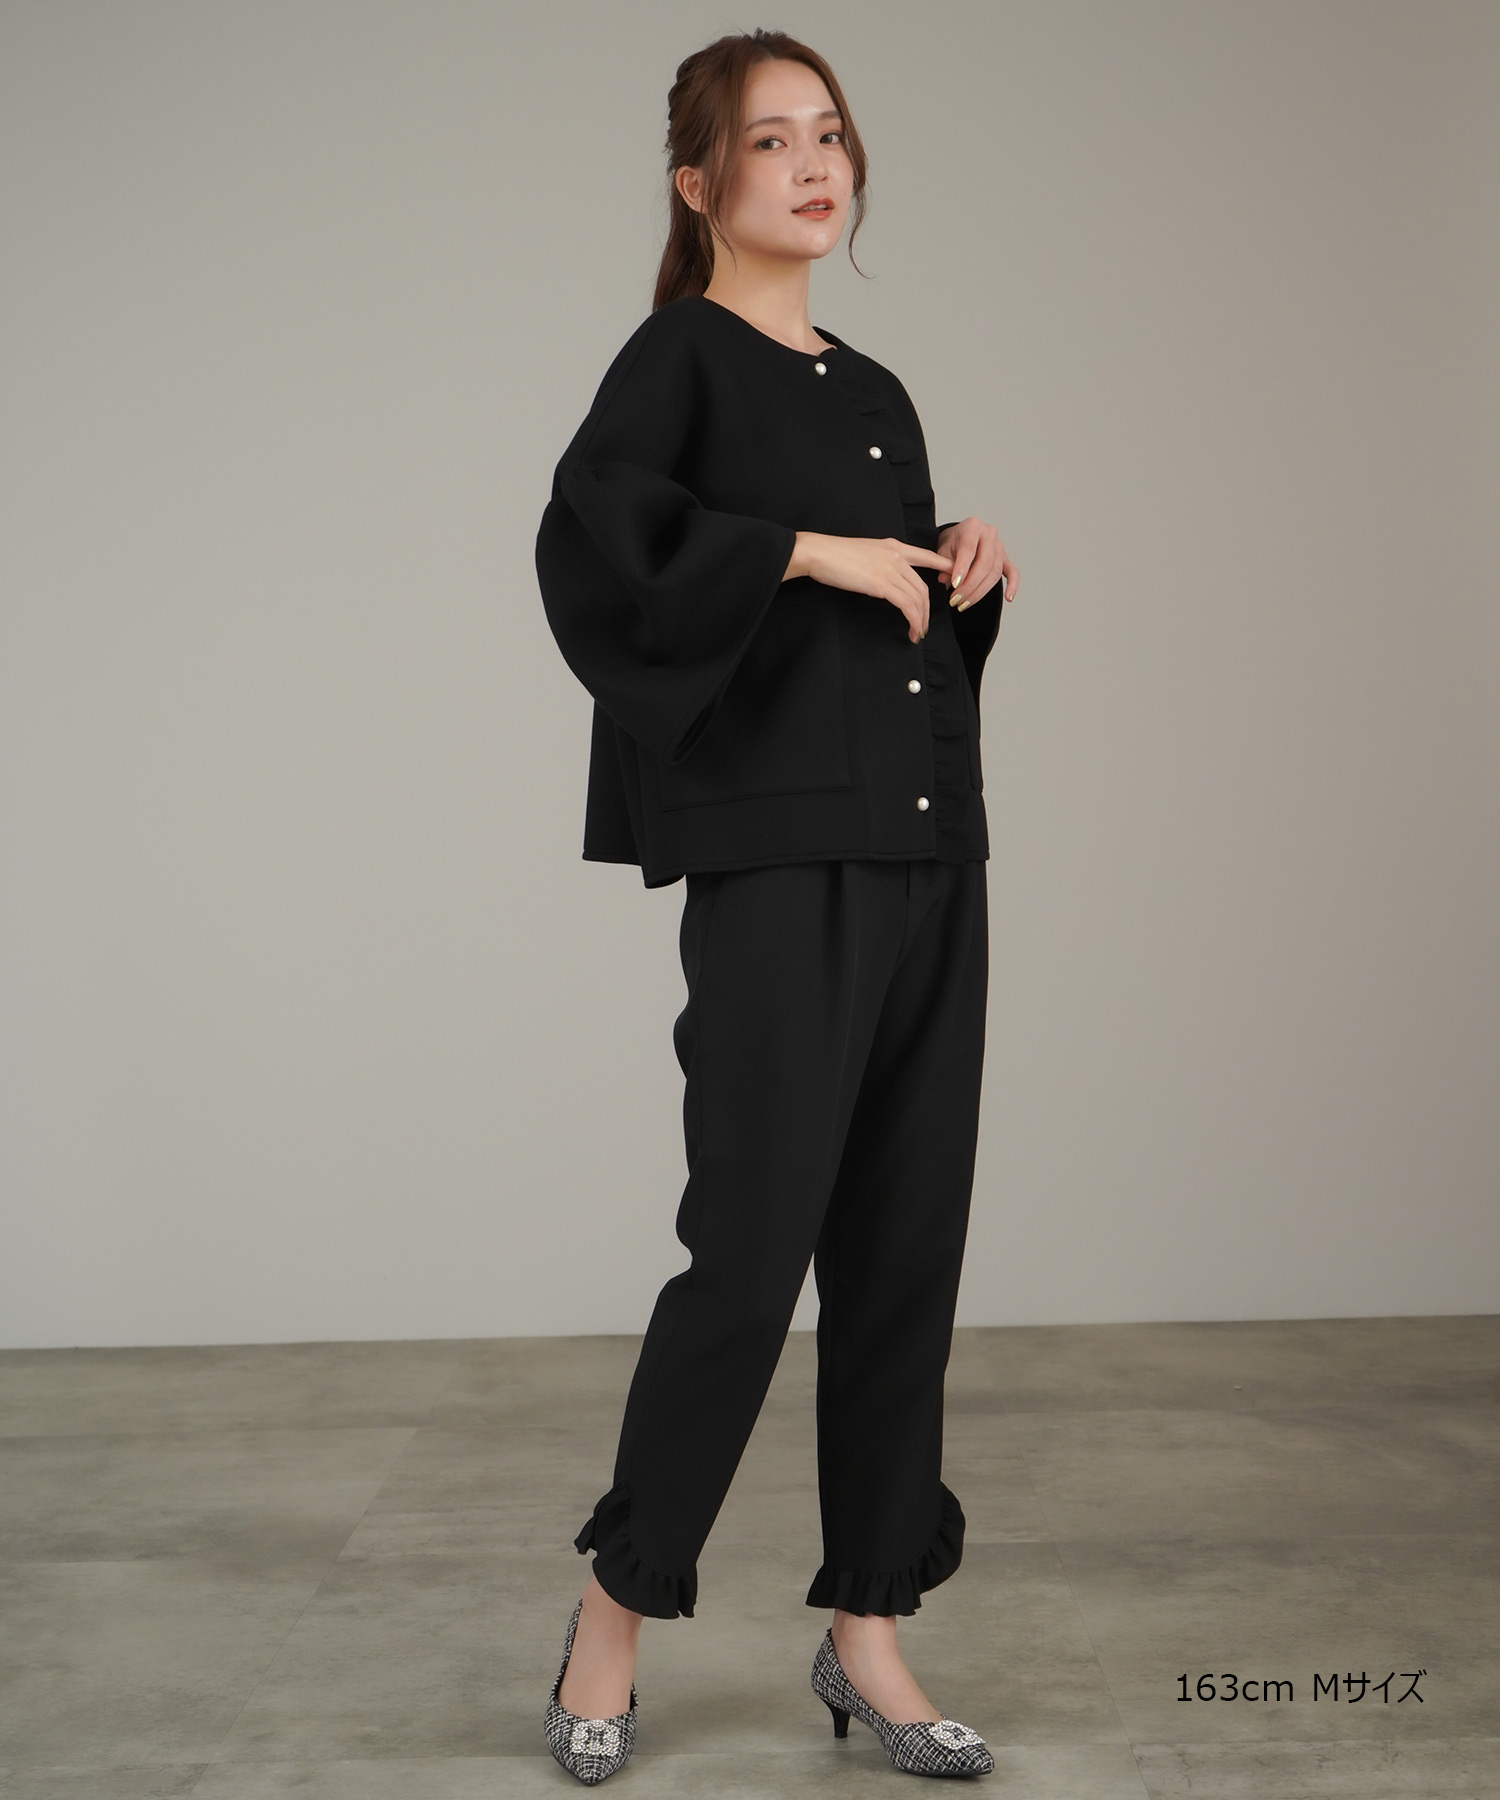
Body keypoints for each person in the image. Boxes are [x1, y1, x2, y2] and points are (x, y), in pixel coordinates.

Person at [534, 27, 1019, 1785]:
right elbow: (597, 540)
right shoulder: (678, 357)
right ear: (700, 182)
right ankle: (614, 1612)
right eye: (770, 140)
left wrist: (959, 575)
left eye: (831, 134)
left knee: (904, 1251)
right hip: (781, 864)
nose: (815, 165)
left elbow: (880, 641)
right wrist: (807, 550)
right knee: (748, 1254)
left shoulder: (876, 389)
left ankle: (868, 1629)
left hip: (927, 854)